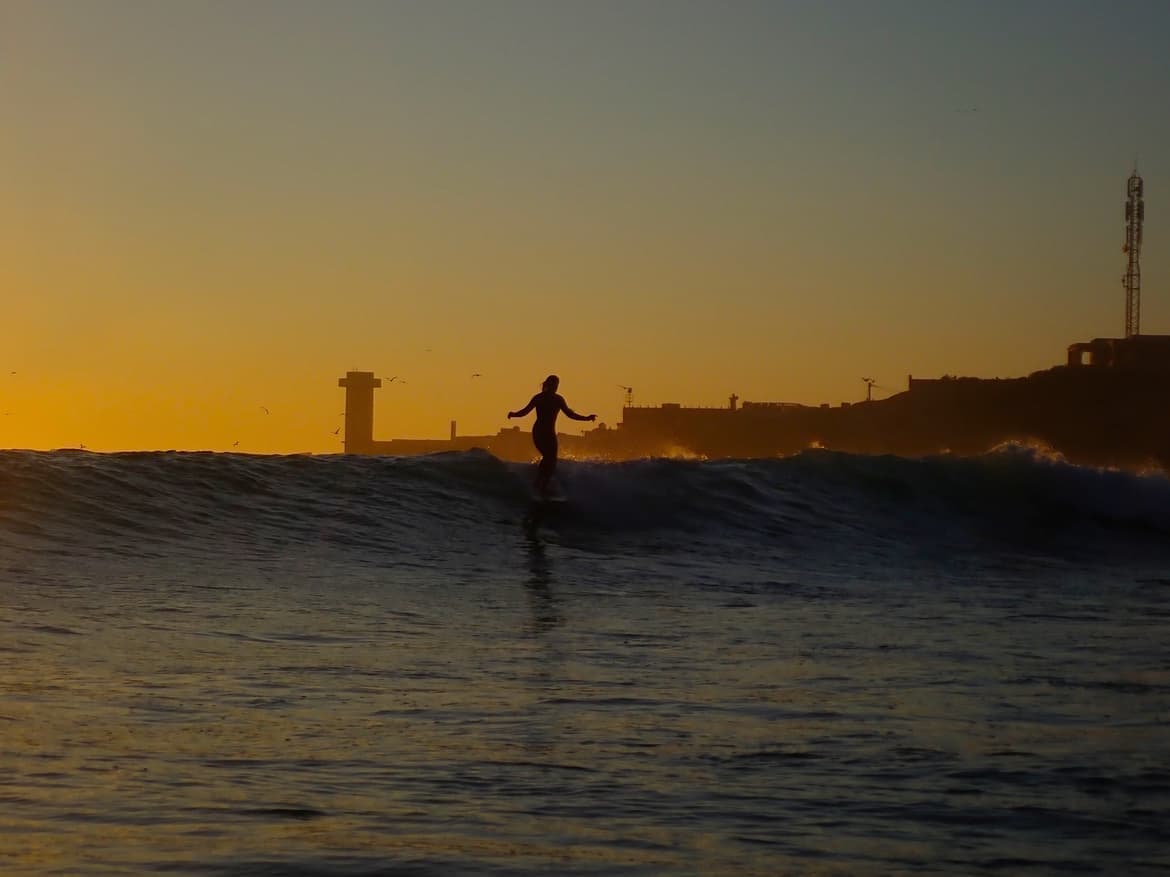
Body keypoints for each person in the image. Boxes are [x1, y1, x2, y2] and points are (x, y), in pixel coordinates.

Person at [508, 375, 596, 496]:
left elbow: (570, 414)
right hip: (539, 431)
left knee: (552, 459)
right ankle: (539, 484)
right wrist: (514, 414)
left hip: (550, 433)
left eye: (557, 385)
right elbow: (525, 411)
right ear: (548, 384)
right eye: (554, 384)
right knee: (548, 456)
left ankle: (542, 484)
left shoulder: (558, 399)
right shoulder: (538, 398)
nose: (555, 387)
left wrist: (586, 418)